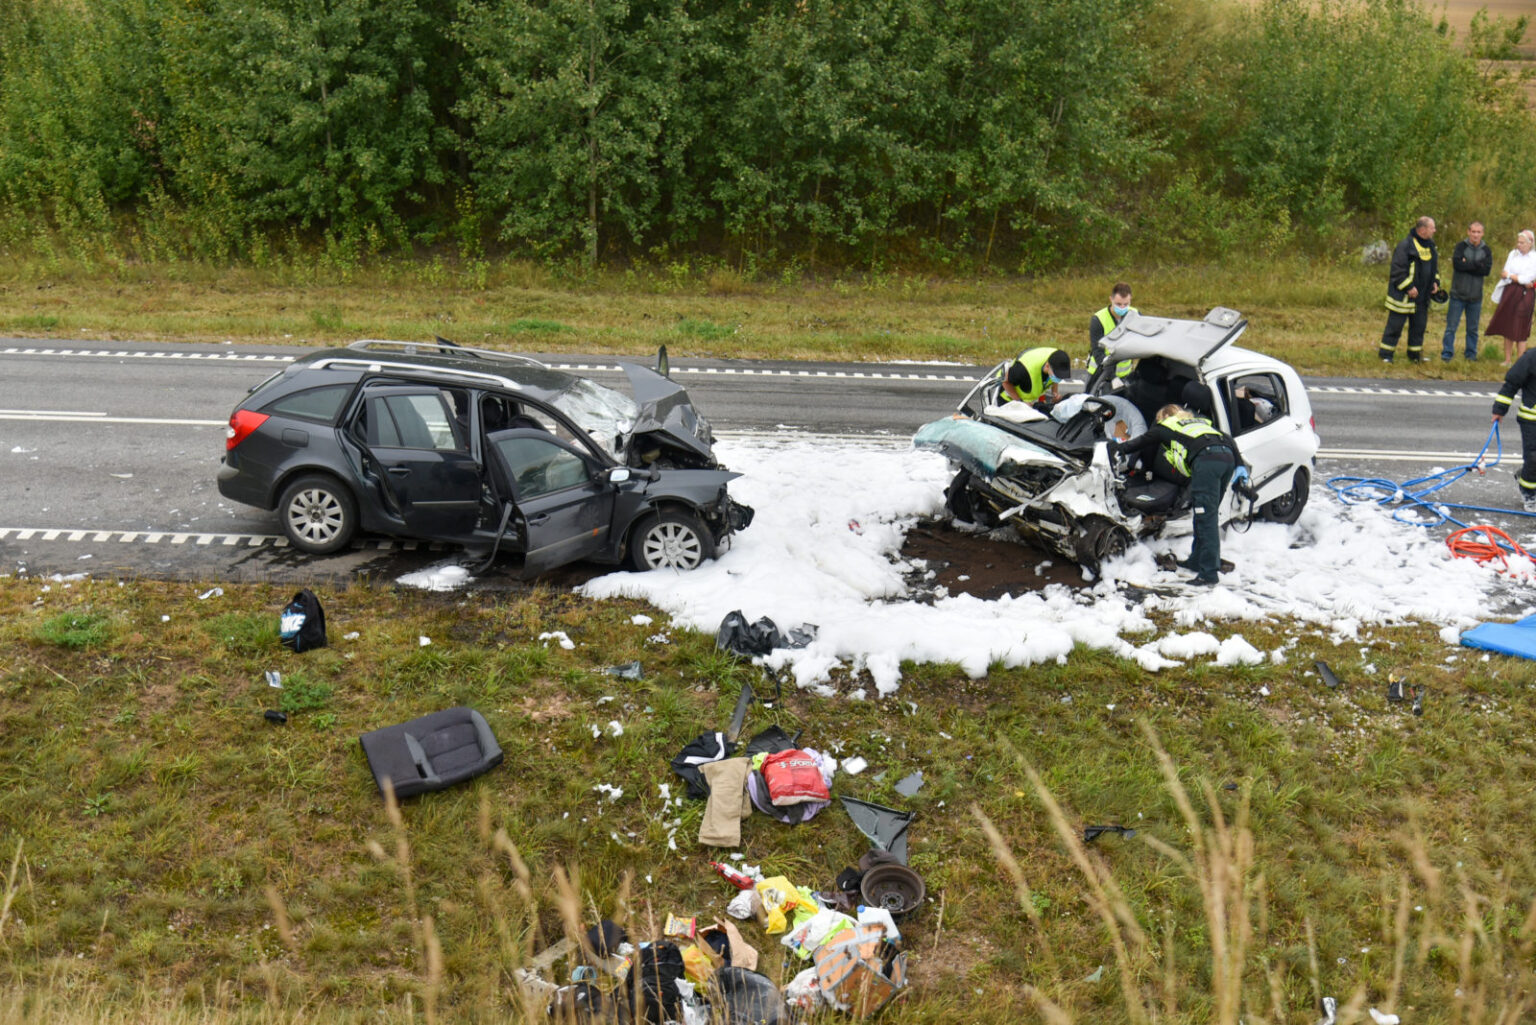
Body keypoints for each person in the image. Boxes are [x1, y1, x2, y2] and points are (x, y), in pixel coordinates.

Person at [1111, 404, 1244, 585]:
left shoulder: (1167, 427)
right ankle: (1197, 561)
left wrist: (1115, 449)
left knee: (1206, 517)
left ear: (1165, 417)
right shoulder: (1199, 423)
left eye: (1158, 420)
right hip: (1226, 459)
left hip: (1207, 462)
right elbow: (1228, 440)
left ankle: (1209, 574)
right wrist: (1240, 464)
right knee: (1203, 514)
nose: (1157, 424)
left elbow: (1141, 442)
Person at [1379, 216, 1440, 363]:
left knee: (1418, 328)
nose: (1435, 230)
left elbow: (1434, 267)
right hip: (1404, 297)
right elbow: (1397, 270)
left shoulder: (1430, 245)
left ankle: (1414, 356)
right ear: (1423, 229)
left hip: (1422, 297)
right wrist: (1408, 287)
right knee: (1395, 327)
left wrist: (1436, 281)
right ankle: (1385, 355)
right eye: (1432, 228)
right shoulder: (1405, 245)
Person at [1490, 345, 1536, 512]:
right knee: (1534, 457)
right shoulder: (1531, 357)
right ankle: (1528, 491)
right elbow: (1511, 384)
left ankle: (1525, 474)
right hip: (1531, 420)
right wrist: (1499, 409)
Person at [1441, 221, 1492, 362]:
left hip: (1476, 296)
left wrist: (1467, 264)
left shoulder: (1486, 250)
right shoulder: (1460, 247)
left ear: (1482, 233)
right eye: (1473, 231)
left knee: (1473, 329)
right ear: (1468, 232)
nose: (1475, 234)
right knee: (1451, 327)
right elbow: (1457, 265)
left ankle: (1470, 354)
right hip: (1458, 294)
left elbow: (1486, 270)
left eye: (1478, 232)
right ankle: (1447, 353)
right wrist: (1477, 265)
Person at [1487, 229, 1536, 366]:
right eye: (1518, 242)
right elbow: (1505, 273)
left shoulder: (1534, 258)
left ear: (1530, 243)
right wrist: (1514, 277)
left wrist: (1514, 277)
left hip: (1526, 294)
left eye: (1522, 243)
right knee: (1507, 323)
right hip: (1510, 290)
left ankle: (1520, 361)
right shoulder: (1513, 254)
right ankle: (1507, 359)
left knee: (1521, 325)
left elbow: (1529, 278)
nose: (1519, 245)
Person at [1086, 283, 1137, 380]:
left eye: (1126, 304)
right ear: (1111, 299)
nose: (1122, 308)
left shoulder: (1135, 315)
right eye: (1118, 304)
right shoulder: (1098, 319)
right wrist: (1112, 377)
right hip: (1099, 375)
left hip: (1124, 375)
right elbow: (1098, 352)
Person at [997, 347, 1071, 406]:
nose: (1059, 379)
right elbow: (1005, 382)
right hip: (1008, 395)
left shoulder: (1059, 358)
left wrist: (1054, 393)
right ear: (1047, 366)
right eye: (1057, 376)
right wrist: (1020, 403)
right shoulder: (1024, 369)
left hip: (1029, 400)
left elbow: (1055, 378)